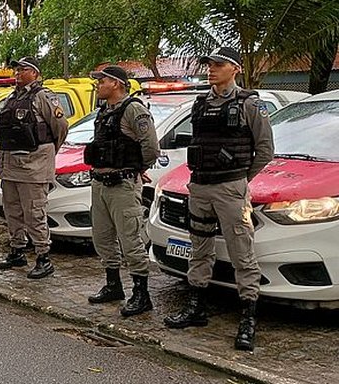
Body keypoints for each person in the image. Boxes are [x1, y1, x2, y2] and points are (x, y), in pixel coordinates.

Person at [164, 47, 274, 352]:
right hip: (199, 186)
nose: (211, 69)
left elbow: (265, 151)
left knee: (242, 252)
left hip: (230, 188)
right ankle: (197, 307)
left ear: (235, 69)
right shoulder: (200, 104)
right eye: (209, 65)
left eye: (219, 65)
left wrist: (239, 179)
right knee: (199, 249)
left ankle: (248, 320)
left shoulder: (250, 104)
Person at [84, 65, 160, 314]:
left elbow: (151, 147)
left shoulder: (133, 110)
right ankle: (113, 284)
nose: (98, 84)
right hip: (101, 183)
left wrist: (138, 167)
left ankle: (141, 293)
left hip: (123, 184)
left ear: (116, 83)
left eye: (102, 80)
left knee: (130, 238)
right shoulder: (104, 111)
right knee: (103, 238)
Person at [0, 57, 69, 279]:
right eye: (16, 70)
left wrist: (46, 153)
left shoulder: (43, 97)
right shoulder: (12, 97)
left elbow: (60, 127)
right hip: (10, 165)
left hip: (33, 166)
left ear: (35, 73)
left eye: (23, 69)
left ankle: (43, 256)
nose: (18, 73)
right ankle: (17, 250)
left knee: (34, 213)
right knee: (13, 211)